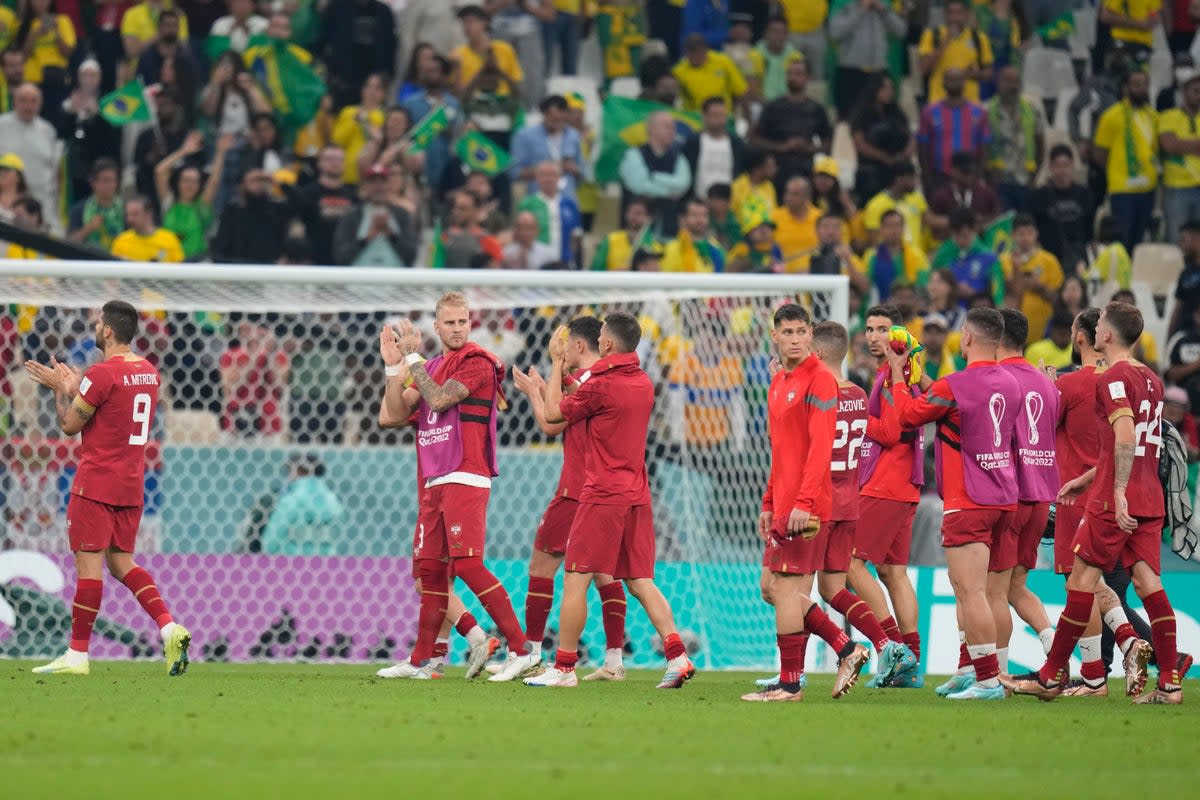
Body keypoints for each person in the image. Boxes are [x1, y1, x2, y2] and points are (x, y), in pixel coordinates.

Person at [1014, 302, 1183, 704]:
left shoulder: (1114, 378)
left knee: (1081, 582)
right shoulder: (1152, 379)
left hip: (1114, 500)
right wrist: (1086, 478)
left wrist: (1116, 491)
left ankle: (1052, 675)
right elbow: (1136, 445)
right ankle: (1170, 683)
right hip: (1148, 498)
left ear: (1105, 335)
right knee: (1148, 585)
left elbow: (1125, 436)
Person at [525, 312, 696, 689]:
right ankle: (678, 655)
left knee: (574, 578)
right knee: (639, 580)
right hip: (637, 493)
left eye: (602, 334)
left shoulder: (601, 385)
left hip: (602, 494)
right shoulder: (643, 382)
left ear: (606, 344)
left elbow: (553, 414)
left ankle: (565, 667)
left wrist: (555, 365)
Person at [377, 292, 539, 682]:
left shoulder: (478, 362)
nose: (457, 328)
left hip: (466, 472)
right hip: (435, 477)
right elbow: (391, 415)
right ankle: (421, 661)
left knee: (466, 564)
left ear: (470, 323)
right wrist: (393, 369)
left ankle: (522, 649)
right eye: (449, 322)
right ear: (436, 326)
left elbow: (438, 397)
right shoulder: (431, 364)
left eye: (463, 321)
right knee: (431, 572)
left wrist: (412, 360)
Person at [24, 300, 191, 676]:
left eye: (99, 322)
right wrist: (75, 384)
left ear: (109, 331)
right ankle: (168, 626)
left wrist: (59, 388)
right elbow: (113, 405)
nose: (95, 327)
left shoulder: (100, 374)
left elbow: (69, 425)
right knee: (121, 562)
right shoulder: (149, 372)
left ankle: (77, 655)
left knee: (88, 567)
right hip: (132, 485)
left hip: (96, 483)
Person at [740, 304, 871, 703]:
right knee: (770, 587)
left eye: (801, 332)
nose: (795, 339)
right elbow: (781, 450)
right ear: (774, 335)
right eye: (788, 332)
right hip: (783, 501)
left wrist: (805, 502)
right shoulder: (780, 380)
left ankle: (790, 683)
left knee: (783, 590)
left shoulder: (819, 381)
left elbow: (820, 450)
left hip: (805, 505)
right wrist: (768, 500)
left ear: (810, 334)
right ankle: (846, 648)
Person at [889, 307, 1019, 701]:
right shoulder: (1008, 383)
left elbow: (909, 416)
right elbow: (954, 403)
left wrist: (899, 374)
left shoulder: (956, 385)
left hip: (968, 498)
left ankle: (988, 680)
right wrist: (922, 377)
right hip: (1004, 497)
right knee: (984, 592)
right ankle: (972, 670)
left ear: (967, 338)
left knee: (970, 591)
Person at [510, 316, 629, 679]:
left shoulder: (587, 384)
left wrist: (536, 389)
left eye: (562, 342)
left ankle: (532, 653)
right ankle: (614, 660)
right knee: (607, 575)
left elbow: (549, 422)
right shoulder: (602, 382)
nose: (557, 348)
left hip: (576, 490)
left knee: (541, 567)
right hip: (609, 491)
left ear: (578, 345)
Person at [851, 304, 927, 689]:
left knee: (849, 562)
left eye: (883, 329)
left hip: (887, 484)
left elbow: (894, 432)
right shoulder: (897, 373)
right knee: (893, 572)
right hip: (906, 485)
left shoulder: (898, 373)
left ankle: (894, 649)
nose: (874, 336)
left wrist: (860, 417)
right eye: (869, 329)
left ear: (897, 334)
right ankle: (910, 664)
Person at [989, 309, 1058, 679]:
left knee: (992, 592)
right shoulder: (1046, 382)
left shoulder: (997, 379)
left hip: (1009, 498)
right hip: (1040, 499)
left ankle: (995, 676)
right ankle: (1052, 644)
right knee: (1016, 587)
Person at [1094, 69, 1159, 252]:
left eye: (1145, 84)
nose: (1141, 89)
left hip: (1147, 188)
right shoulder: (1111, 116)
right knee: (1122, 238)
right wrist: (1119, 170)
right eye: (1136, 84)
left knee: (1140, 240)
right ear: (1126, 88)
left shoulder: (1153, 116)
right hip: (1122, 188)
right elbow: (1099, 153)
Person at [750, 58, 831, 192]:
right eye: (790, 73)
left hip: (806, 168)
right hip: (777, 169)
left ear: (807, 77)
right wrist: (782, 147)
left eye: (798, 74)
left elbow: (828, 141)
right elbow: (755, 139)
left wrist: (809, 148)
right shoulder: (773, 107)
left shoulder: (816, 109)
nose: (792, 78)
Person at [154, 131, 230, 261]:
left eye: (194, 181)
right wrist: (184, 151)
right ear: (178, 182)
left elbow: (214, 182)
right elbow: (159, 171)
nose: (190, 185)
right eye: (186, 180)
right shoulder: (169, 203)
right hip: (170, 264)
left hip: (196, 264)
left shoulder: (201, 206)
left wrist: (220, 153)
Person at [828, 0, 908, 121]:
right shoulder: (842, 3)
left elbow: (901, 31)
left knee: (882, 120)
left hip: (879, 72)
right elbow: (835, 32)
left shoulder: (884, 4)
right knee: (849, 120)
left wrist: (883, 10)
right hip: (851, 72)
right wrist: (860, 10)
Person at [618, 111, 691, 238]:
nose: (672, 131)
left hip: (669, 227)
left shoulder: (679, 157)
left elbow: (683, 184)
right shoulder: (633, 154)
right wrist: (669, 192)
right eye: (667, 127)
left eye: (673, 127)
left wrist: (654, 177)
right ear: (651, 129)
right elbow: (640, 186)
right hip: (636, 230)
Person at [917, 68, 991, 192]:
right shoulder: (929, 112)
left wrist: (979, 175)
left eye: (958, 80)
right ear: (943, 84)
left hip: (970, 178)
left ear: (964, 83)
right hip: (940, 177)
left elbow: (984, 146)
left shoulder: (979, 112)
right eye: (950, 80)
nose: (954, 84)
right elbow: (922, 146)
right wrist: (926, 175)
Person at [332, 163, 418, 267]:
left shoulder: (402, 216)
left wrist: (390, 234)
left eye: (383, 181)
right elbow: (341, 257)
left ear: (390, 185)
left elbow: (411, 256)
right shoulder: (351, 216)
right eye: (373, 181)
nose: (378, 186)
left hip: (394, 280)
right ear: (365, 186)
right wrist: (366, 239)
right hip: (359, 280)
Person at [316, 0, 397, 108]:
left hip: (373, 84)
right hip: (341, 83)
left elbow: (390, 47)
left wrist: (385, 75)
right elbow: (322, 42)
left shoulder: (384, 12)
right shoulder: (336, 8)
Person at [986, 64, 1045, 212]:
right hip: (999, 182)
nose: (1012, 86)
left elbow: (1040, 144)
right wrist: (988, 180)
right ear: (998, 83)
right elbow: (981, 148)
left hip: (1024, 180)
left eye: (1016, 81)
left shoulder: (1031, 110)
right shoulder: (986, 112)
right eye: (1007, 81)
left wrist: (1034, 175)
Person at [848, 74, 915, 204]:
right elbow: (860, 144)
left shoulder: (897, 114)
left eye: (891, 88)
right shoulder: (862, 115)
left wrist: (906, 153)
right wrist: (884, 157)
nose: (889, 92)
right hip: (872, 171)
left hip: (897, 170)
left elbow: (910, 135)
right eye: (885, 88)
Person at [260, 454, 346, 556]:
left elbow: (270, 542)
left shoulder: (291, 501)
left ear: (297, 472)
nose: (289, 478)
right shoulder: (334, 502)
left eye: (290, 472)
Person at [1031, 144, 1096, 273]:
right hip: (1048, 255)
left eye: (1066, 165)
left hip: (1078, 255)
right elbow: (1034, 224)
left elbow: (1090, 227)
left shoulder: (1084, 194)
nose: (1062, 170)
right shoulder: (1040, 196)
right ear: (1050, 167)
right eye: (1058, 165)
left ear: (1072, 165)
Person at [0, 83, 58, 226]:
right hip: (6, 206)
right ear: (14, 102)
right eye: (23, 100)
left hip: (40, 204)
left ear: (40, 104)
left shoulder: (48, 131)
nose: (28, 106)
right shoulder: (2, 126)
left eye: (33, 101)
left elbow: (54, 173)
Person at [1003, 214, 1064, 344]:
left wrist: (1039, 286)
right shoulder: (1004, 260)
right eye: (1021, 234)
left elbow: (1058, 299)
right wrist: (1017, 272)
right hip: (1012, 331)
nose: (1025, 238)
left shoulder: (1049, 260)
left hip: (1043, 331)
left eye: (1029, 233)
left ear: (1036, 234)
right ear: (1013, 235)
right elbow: (1007, 292)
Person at [918, 0, 994, 104]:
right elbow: (923, 69)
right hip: (939, 103)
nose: (954, 18)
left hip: (969, 104)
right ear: (945, 14)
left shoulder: (979, 38)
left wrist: (976, 74)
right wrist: (945, 42)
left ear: (967, 14)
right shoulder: (932, 35)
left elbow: (989, 73)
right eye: (951, 13)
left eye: (959, 13)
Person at [510, 94, 584, 202]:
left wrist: (574, 169)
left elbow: (583, 170)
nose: (558, 124)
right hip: (538, 200)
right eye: (553, 119)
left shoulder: (573, 135)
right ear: (544, 114)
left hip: (567, 198)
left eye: (562, 120)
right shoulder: (524, 136)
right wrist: (546, 171)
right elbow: (514, 172)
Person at [292, 145, 356, 267]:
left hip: (346, 264)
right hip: (315, 263)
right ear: (319, 163)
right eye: (330, 159)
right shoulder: (306, 194)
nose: (335, 163)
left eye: (339, 159)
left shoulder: (353, 195)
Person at [211, 168, 290, 264]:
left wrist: (276, 182)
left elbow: (300, 203)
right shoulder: (232, 212)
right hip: (239, 269)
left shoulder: (275, 209)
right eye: (253, 181)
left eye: (261, 180)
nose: (259, 184)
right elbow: (220, 249)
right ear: (241, 185)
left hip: (269, 269)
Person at [1158, 71, 1200, 243]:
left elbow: (1177, 144)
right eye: (1196, 91)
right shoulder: (1168, 116)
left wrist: (1183, 145)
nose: (1199, 96)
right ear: (1184, 92)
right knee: (1177, 239)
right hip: (1177, 188)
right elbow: (1169, 145)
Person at [515, 160, 582, 265]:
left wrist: (572, 257)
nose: (548, 179)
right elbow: (519, 235)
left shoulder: (569, 204)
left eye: (552, 175)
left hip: (565, 262)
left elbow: (576, 235)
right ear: (537, 177)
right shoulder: (527, 204)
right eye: (543, 175)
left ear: (559, 177)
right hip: (537, 263)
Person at [451, 6, 524, 101]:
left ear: (484, 23)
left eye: (470, 22)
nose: (466, 27)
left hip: (504, 104)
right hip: (474, 106)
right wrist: (457, 70)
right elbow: (458, 96)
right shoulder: (457, 55)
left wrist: (498, 71)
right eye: (463, 23)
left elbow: (519, 91)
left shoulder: (505, 49)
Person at [937, 208, 1005, 305]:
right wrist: (953, 288)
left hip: (979, 313)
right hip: (948, 312)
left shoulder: (989, 257)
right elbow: (931, 281)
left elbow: (997, 293)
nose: (960, 240)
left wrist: (975, 294)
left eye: (965, 235)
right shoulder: (944, 253)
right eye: (956, 235)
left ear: (974, 229)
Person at [683, 96, 746, 201]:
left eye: (722, 115)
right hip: (699, 202)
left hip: (729, 203)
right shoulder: (692, 142)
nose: (720, 120)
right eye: (715, 115)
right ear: (704, 116)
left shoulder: (737, 144)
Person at [929, 151, 1001, 239]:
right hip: (951, 246)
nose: (970, 176)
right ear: (953, 170)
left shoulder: (986, 193)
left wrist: (982, 223)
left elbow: (998, 219)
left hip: (981, 246)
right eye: (965, 172)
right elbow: (933, 229)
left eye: (972, 172)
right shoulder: (941, 196)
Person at [862, 210, 929, 304]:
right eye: (889, 226)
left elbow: (922, 286)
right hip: (879, 307)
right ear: (881, 229)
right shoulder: (871, 255)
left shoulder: (917, 254)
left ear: (903, 228)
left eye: (897, 225)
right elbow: (866, 287)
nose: (893, 230)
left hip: (909, 308)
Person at [672, 33, 747, 113]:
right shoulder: (678, 71)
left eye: (698, 53)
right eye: (691, 53)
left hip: (724, 115)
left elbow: (740, 92)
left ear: (706, 50)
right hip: (695, 119)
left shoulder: (723, 62)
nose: (695, 57)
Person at [862, 162, 928, 248]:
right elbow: (874, 242)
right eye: (912, 178)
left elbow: (927, 224)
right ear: (899, 179)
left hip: (915, 257)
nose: (916, 182)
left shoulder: (917, 199)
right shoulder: (875, 205)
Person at [67, 159, 124, 251]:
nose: (111, 185)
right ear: (93, 183)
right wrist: (88, 229)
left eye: (114, 180)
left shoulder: (126, 208)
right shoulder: (79, 210)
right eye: (106, 180)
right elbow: (69, 243)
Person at [745, 16, 804, 104]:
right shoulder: (752, 55)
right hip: (761, 103)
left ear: (787, 35)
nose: (778, 36)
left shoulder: (796, 57)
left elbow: (800, 87)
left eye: (782, 32)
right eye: (774, 31)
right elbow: (752, 91)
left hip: (789, 104)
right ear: (765, 33)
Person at [110, 196, 185, 263]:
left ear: (148, 214)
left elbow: (180, 270)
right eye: (128, 214)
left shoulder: (169, 239)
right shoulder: (121, 241)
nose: (130, 219)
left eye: (135, 214)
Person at [591, 196, 656, 270]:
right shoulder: (611, 240)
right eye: (630, 212)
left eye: (638, 213)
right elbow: (596, 269)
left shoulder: (655, 246)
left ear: (649, 217)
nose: (633, 216)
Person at [770, 175, 820, 272]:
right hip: (781, 277)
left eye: (795, 194)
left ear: (807, 196)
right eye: (788, 193)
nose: (788, 197)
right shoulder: (774, 217)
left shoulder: (820, 218)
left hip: (813, 277)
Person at [662, 196, 725, 272]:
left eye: (704, 215)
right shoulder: (672, 248)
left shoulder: (716, 247)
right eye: (695, 215)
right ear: (682, 219)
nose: (700, 220)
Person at [1101, 0, 1163, 66]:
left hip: (1143, 44)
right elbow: (1106, 15)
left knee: (1140, 73)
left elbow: (1156, 14)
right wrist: (1139, 24)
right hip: (1121, 42)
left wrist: (1153, 20)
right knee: (1128, 73)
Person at [1171, 221, 1200, 335]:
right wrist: (1170, 338)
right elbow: (1178, 308)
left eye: (1184, 240)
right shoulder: (1185, 273)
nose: (1181, 245)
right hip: (1186, 334)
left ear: (1197, 238)